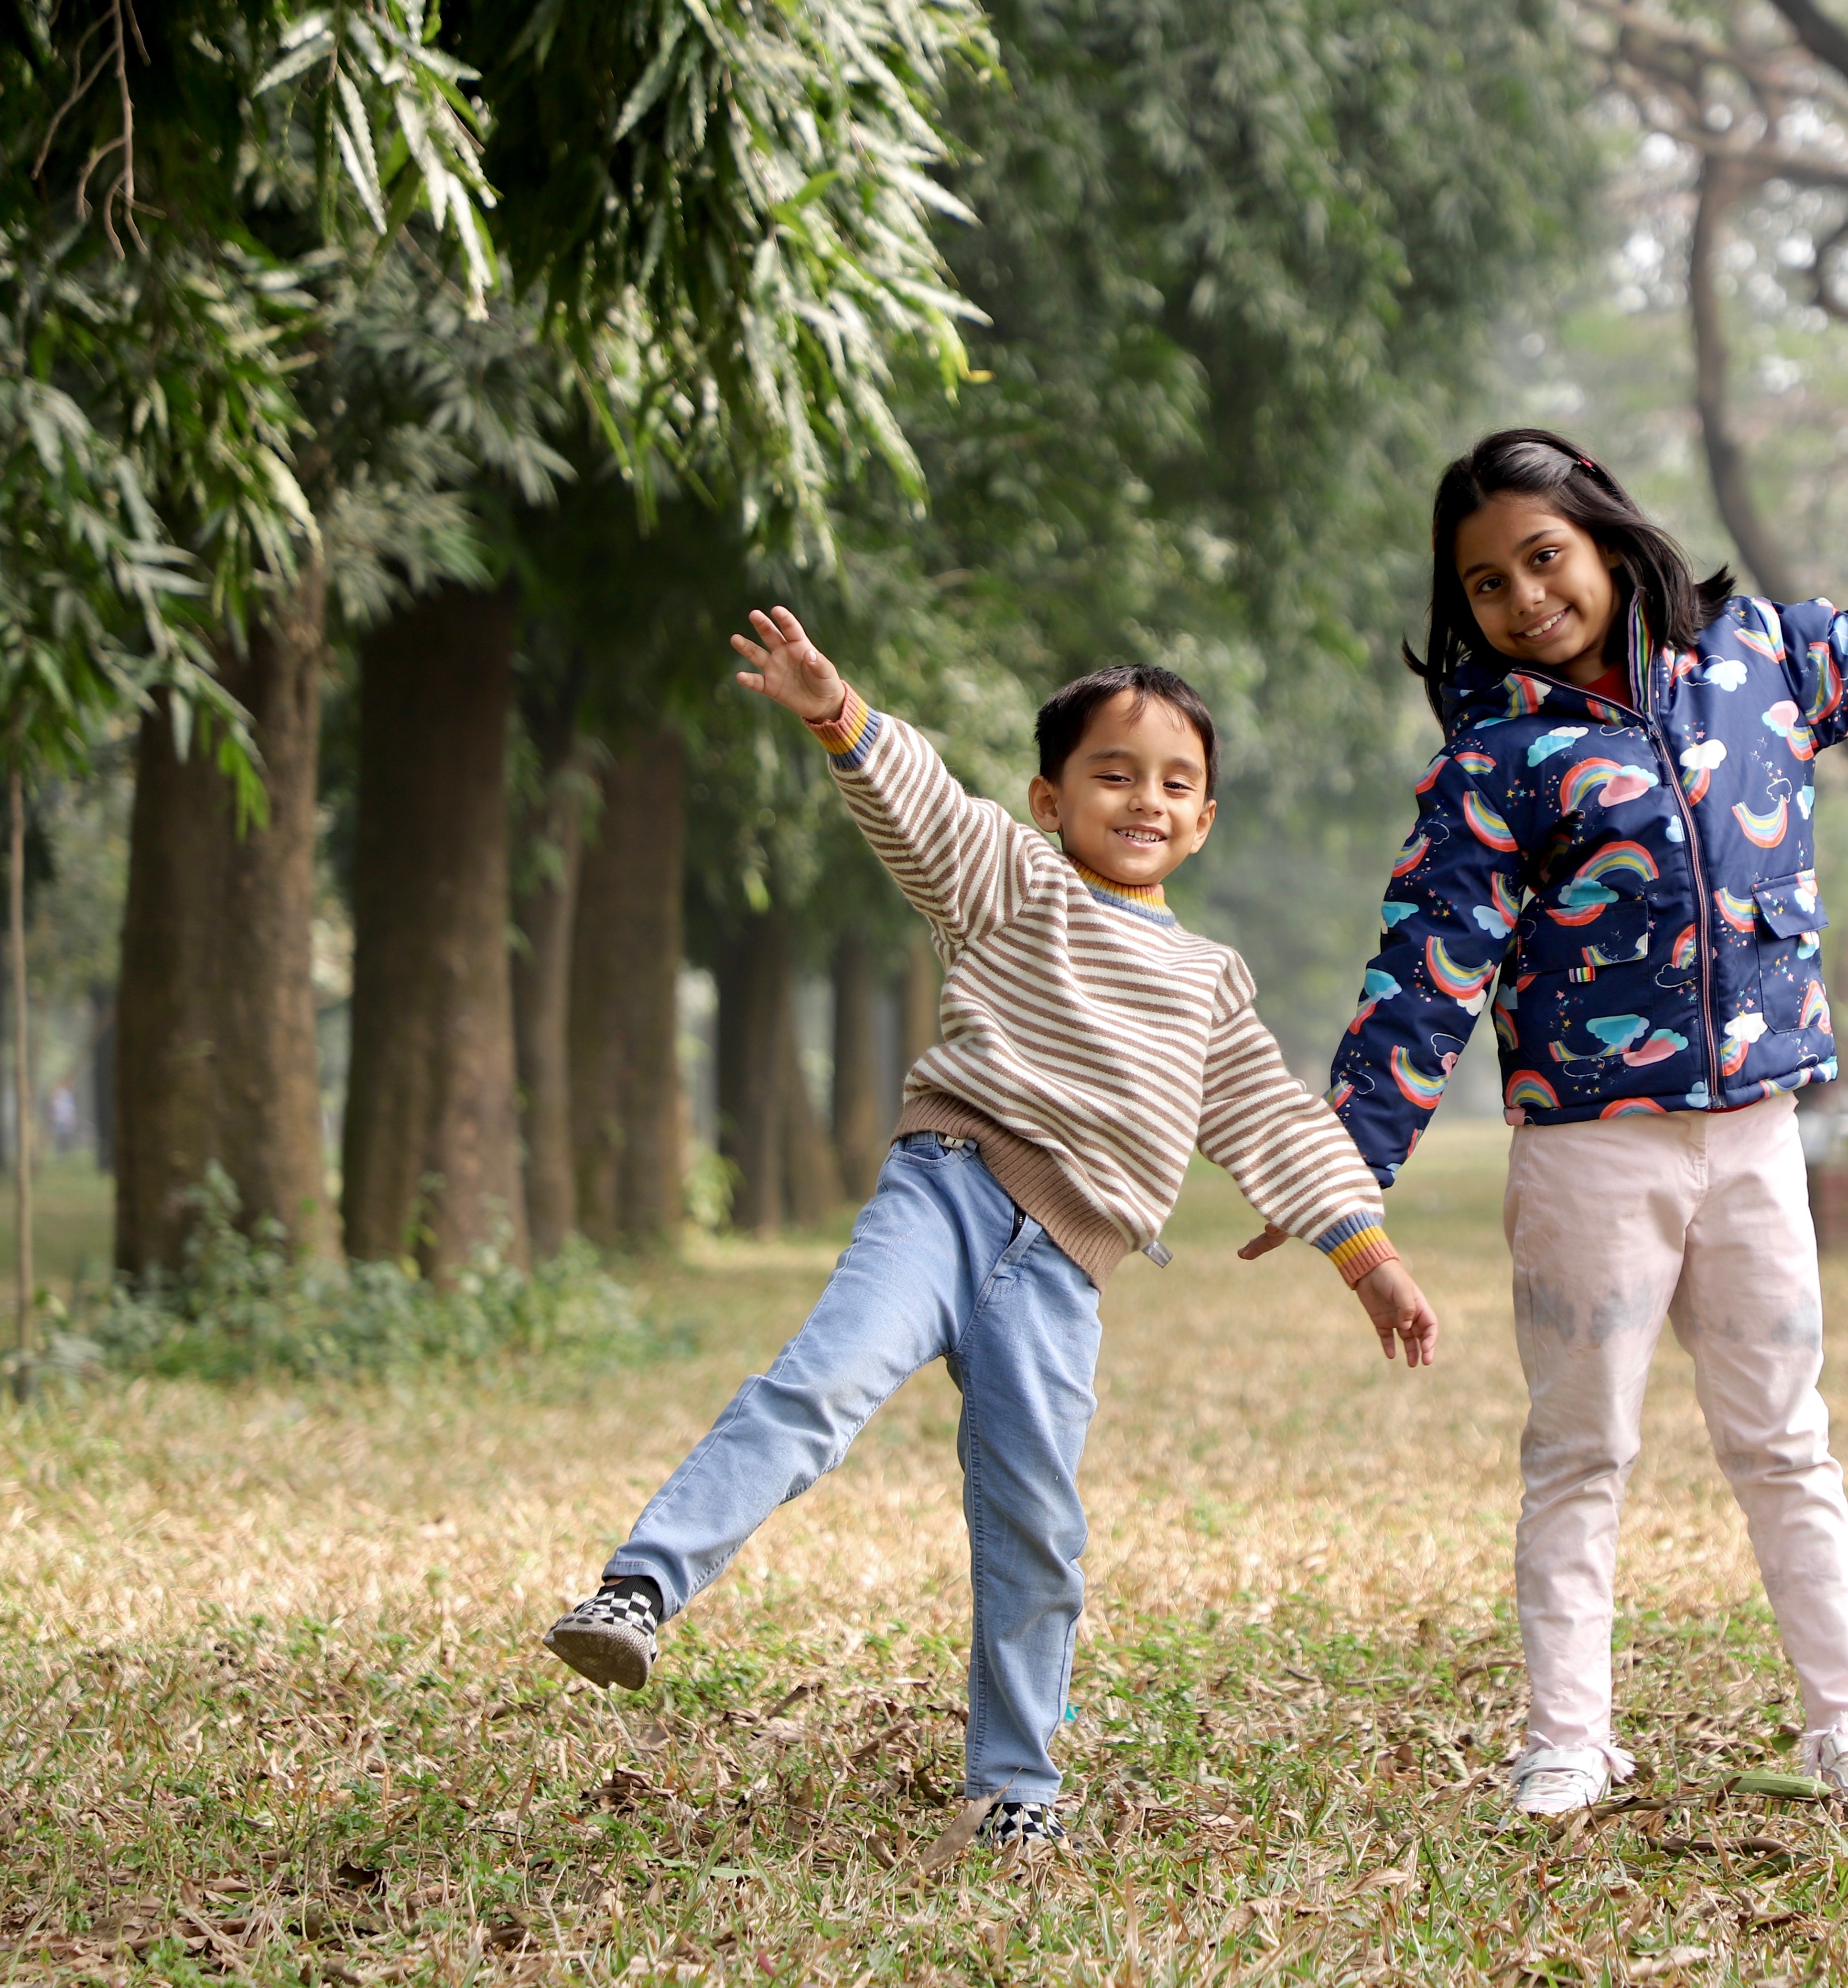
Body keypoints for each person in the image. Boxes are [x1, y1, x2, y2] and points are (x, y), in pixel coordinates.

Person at [1264, 413, 1848, 1820]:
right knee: (1581, 1453)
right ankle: (1567, 1741)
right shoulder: (1497, 760)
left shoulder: (1763, 664)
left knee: (1785, 1442)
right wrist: (1341, 1168)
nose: (1525, 599)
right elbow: (1426, 966)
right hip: (1587, 1157)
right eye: (1487, 586)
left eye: (1545, 557)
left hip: (1755, 1141)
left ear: (1609, 537)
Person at [543, 608, 1441, 1852]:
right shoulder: (1015, 882)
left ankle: (1014, 1788)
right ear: (1050, 797)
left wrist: (1370, 1259)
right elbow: (927, 812)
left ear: (1207, 818)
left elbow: (1267, 1116)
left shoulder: (1210, 981)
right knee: (820, 1385)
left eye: (1177, 782)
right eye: (1113, 773)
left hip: (1063, 1272)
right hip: (948, 1193)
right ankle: (638, 1591)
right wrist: (834, 711)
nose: (1145, 799)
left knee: (1036, 1521)